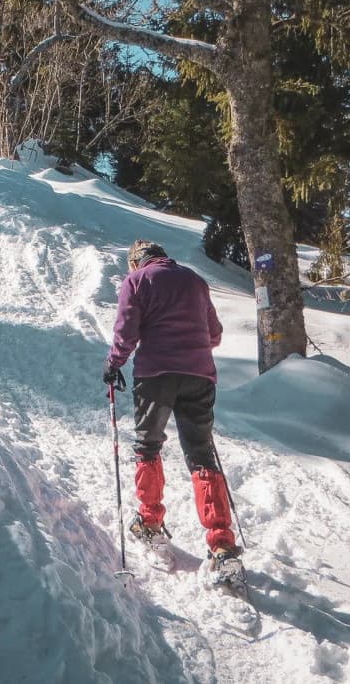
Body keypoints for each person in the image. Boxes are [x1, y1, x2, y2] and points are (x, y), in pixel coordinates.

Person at [102, 239, 242, 581]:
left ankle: (150, 521)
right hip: (199, 375)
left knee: (148, 445)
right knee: (201, 453)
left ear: (136, 262)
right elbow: (215, 334)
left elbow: (127, 331)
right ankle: (222, 544)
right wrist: (190, 345)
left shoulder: (136, 281)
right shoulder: (195, 280)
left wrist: (114, 363)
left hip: (155, 376)